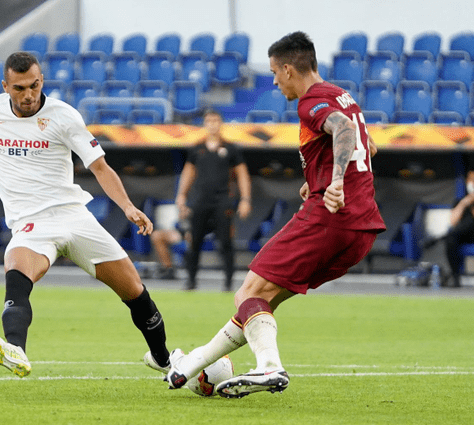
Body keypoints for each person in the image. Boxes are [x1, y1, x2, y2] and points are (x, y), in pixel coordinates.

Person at [163, 32, 386, 398]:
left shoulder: (311, 101)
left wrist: (334, 181)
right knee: (261, 301)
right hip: (362, 227)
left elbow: (343, 131)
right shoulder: (343, 97)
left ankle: (269, 367)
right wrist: (317, 176)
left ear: (287, 68)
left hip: (331, 217)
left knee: (248, 291)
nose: (273, 81)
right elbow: (368, 146)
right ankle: (192, 365)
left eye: (273, 73)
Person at [0, 52, 171, 377]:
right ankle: (16, 349)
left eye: (34, 85)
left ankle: (164, 360)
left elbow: (99, 166)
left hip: (74, 216)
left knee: (135, 292)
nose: (28, 95)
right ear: (5, 86)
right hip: (32, 225)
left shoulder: (64, 116)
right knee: (16, 274)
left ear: (42, 81)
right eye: (19, 88)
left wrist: (127, 206)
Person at [175, 109, 252, 291]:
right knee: (194, 241)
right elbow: (188, 173)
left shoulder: (231, 149)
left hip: (223, 201)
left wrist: (245, 199)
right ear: (204, 124)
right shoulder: (197, 149)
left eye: (216, 120)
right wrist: (181, 196)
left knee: (226, 242)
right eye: (209, 121)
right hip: (200, 200)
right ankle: (191, 280)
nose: (212, 124)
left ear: (221, 123)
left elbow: (242, 175)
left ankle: (228, 282)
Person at [423, 170, 474, 287]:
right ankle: (455, 276)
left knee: (469, 223)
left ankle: (437, 238)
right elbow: (453, 221)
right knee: (451, 238)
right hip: (465, 235)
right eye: (471, 180)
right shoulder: (461, 200)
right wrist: (464, 203)